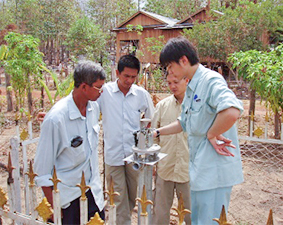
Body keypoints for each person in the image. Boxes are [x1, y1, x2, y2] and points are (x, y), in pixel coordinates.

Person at [154, 37, 244, 225]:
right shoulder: (192, 86)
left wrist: (211, 133)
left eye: (170, 66)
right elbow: (183, 122)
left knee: (208, 221)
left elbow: (232, 111)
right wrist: (157, 132)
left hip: (214, 172)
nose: (169, 71)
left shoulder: (210, 80)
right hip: (200, 169)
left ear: (184, 60)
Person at [34, 61, 106, 224]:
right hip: (68, 199)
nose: (101, 92)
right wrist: (54, 208)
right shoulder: (56, 119)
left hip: (93, 192)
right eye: (98, 87)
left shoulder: (93, 108)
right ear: (83, 87)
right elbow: (42, 171)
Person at [97, 54, 154, 225]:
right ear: (117, 73)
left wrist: (145, 138)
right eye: (126, 76)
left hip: (133, 154)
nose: (129, 80)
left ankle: (121, 220)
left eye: (133, 77)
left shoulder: (141, 95)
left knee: (131, 194)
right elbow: (88, 108)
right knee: (118, 195)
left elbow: (152, 118)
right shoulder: (104, 92)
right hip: (113, 154)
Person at [152, 74, 191, 225]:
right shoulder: (162, 106)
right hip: (165, 168)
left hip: (187, 170)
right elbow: (154, 137)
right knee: (160, 214)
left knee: (191, 214)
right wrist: (155, 163)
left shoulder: (195, 106)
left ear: (186, 80)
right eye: (169, 83)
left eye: (176, 82)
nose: (172, 86)